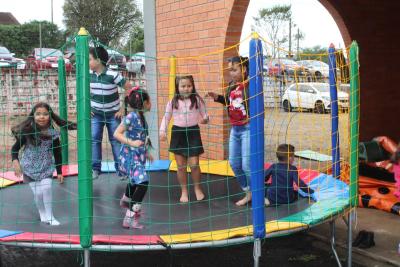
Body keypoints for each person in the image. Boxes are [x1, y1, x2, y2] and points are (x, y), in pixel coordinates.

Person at [11, 102, 77, 225]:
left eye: (45, 114)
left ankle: (50, 216)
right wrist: (15, 161)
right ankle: (42, 213)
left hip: (46, 167)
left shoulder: (53, 134)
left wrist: (59, 172)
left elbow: (57, 153)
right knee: (38, 193)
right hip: (29, 168)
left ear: (50, 116)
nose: (42, 117)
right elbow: (15, 149)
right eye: (38, 114)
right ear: (33, 116)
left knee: (46, 188)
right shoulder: (27, 132)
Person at [206, 56, 251, 206]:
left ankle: (258, 193)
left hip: (248, 129)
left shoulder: (251, 85)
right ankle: (248, 192)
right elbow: (227, 101)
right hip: (235, 129)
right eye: (230, 70)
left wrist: (251, 118)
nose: (231, 73)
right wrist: (216, 97)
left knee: (247, 165)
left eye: (234, 70)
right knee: (234, 163)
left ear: (244, 69)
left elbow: (257, 106)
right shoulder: (232, 85)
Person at [160, 75, 209, 203]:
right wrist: (162, 131)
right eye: (183, 86)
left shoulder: (197, 100)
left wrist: (205, 119)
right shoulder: (173, 102)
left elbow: (205, 114)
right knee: (181, 166)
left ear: (193, 86)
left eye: (189, 86)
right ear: (178, 87)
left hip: (193, 133)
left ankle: (197, 188)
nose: (186, 88)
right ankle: (184, 191)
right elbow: (166, 117)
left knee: (194, 165)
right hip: (178, 133)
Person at [89, 46, 133, 179]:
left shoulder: (113, 74)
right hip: (95, 114)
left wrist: (122, 108)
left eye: (89, 59)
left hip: (113, 114)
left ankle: (121, 170)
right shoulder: (88, 75)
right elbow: (83, 93)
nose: (88, 62)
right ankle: (95, 169)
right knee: (94, 139)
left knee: (116, 140)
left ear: (98, 60)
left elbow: (129, 88)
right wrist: (87, 108)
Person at [114, 87, 152, 229]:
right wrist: (132, 143)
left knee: (137, 180)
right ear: (145, 103)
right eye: (149, 101)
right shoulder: (131, 117)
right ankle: (129, 218)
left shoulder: (141, 117)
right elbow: (116, 134)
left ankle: (125, 200)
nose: (151, 103)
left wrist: (146, 152)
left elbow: (141, 137)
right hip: (129, 157)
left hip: (138, 155)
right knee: (143, 182)